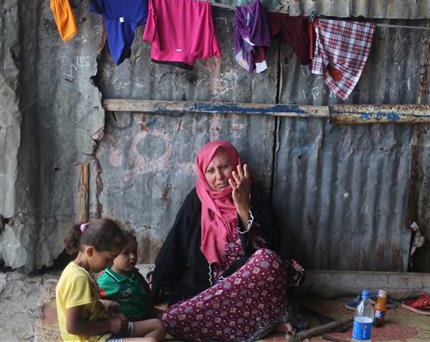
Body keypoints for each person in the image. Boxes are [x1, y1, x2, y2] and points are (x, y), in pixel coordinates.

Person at [151, 140, 296, 341]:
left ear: (236, 165)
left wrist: (242, 206)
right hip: (218, 294)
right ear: (203, 173)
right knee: (171, 320)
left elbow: (272, 246)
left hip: (256, 294)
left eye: (224, 166)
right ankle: (267, 325)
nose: (219, 176)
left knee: (267, 259)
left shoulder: (254, 193)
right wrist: (156, 285)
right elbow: (175, 244)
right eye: (210, 170)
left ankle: (250, 323)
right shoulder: (197, 199)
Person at [56, 218, 166, 342]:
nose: (110, 264)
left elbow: (80, 306)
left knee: (157, 326)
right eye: (108, 259)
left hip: (103, 331)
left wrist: (102, 304)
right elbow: (73, 327)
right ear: (91, 251)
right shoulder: (78, 279)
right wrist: (109, 325)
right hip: (94, 338)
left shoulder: (78, 271)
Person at [97, 230, 157, 321]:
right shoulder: (105, 282)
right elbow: (93, 303)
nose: (133, 256)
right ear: (112, 255)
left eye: (134, 251)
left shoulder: (135, 274)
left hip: (147, 317)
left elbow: (147, 294)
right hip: (128, 324)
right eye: (126, 253)